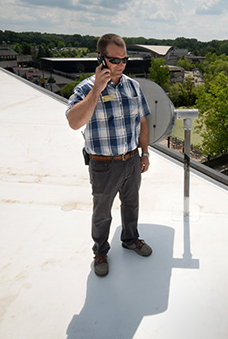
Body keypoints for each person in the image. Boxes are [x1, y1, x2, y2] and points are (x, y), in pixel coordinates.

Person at [66, 33, 152, 277]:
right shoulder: (86, 88)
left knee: (131, 203)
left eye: (124, 60)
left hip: (131, 160)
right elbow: (74, 122)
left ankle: (130, 238)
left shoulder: (133, 86)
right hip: (103, 164)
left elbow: (143, 119)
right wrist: (97, 90)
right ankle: (101, 251)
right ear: (100, 59)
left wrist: (144, 153)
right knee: (102, 212)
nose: (121, 65)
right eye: (115, 60)